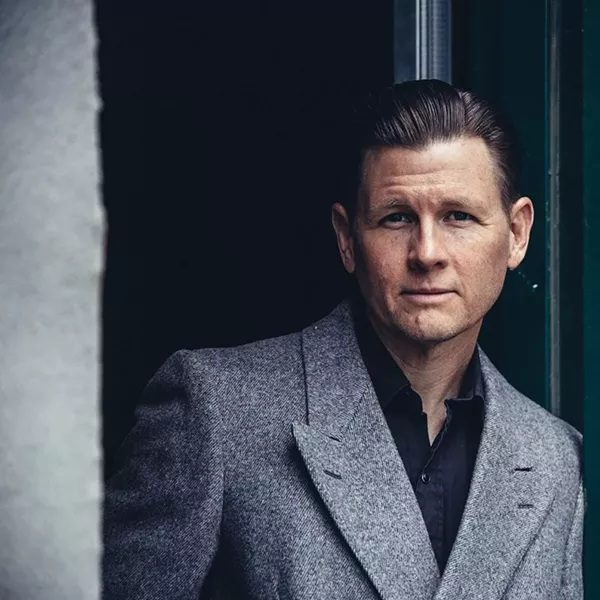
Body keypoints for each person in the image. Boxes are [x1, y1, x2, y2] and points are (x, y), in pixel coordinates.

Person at [103, 79, 583, 599]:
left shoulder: (551, 458)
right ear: (347, 238)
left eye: (458, 216)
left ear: (516, 234)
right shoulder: (217, 410)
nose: (427, 252)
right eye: (396, 218)